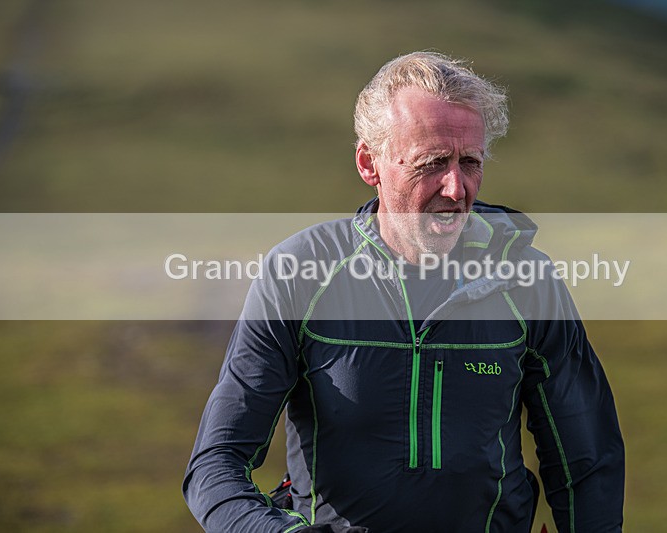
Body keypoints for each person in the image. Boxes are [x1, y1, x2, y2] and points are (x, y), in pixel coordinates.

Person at [183, 51, 624, 532]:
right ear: (369, 163)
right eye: (432, 163)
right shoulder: (299, 274)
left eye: (470, 162)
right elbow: (214, 467)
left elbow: (588, 463)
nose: (456, 188)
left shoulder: (528, 281)